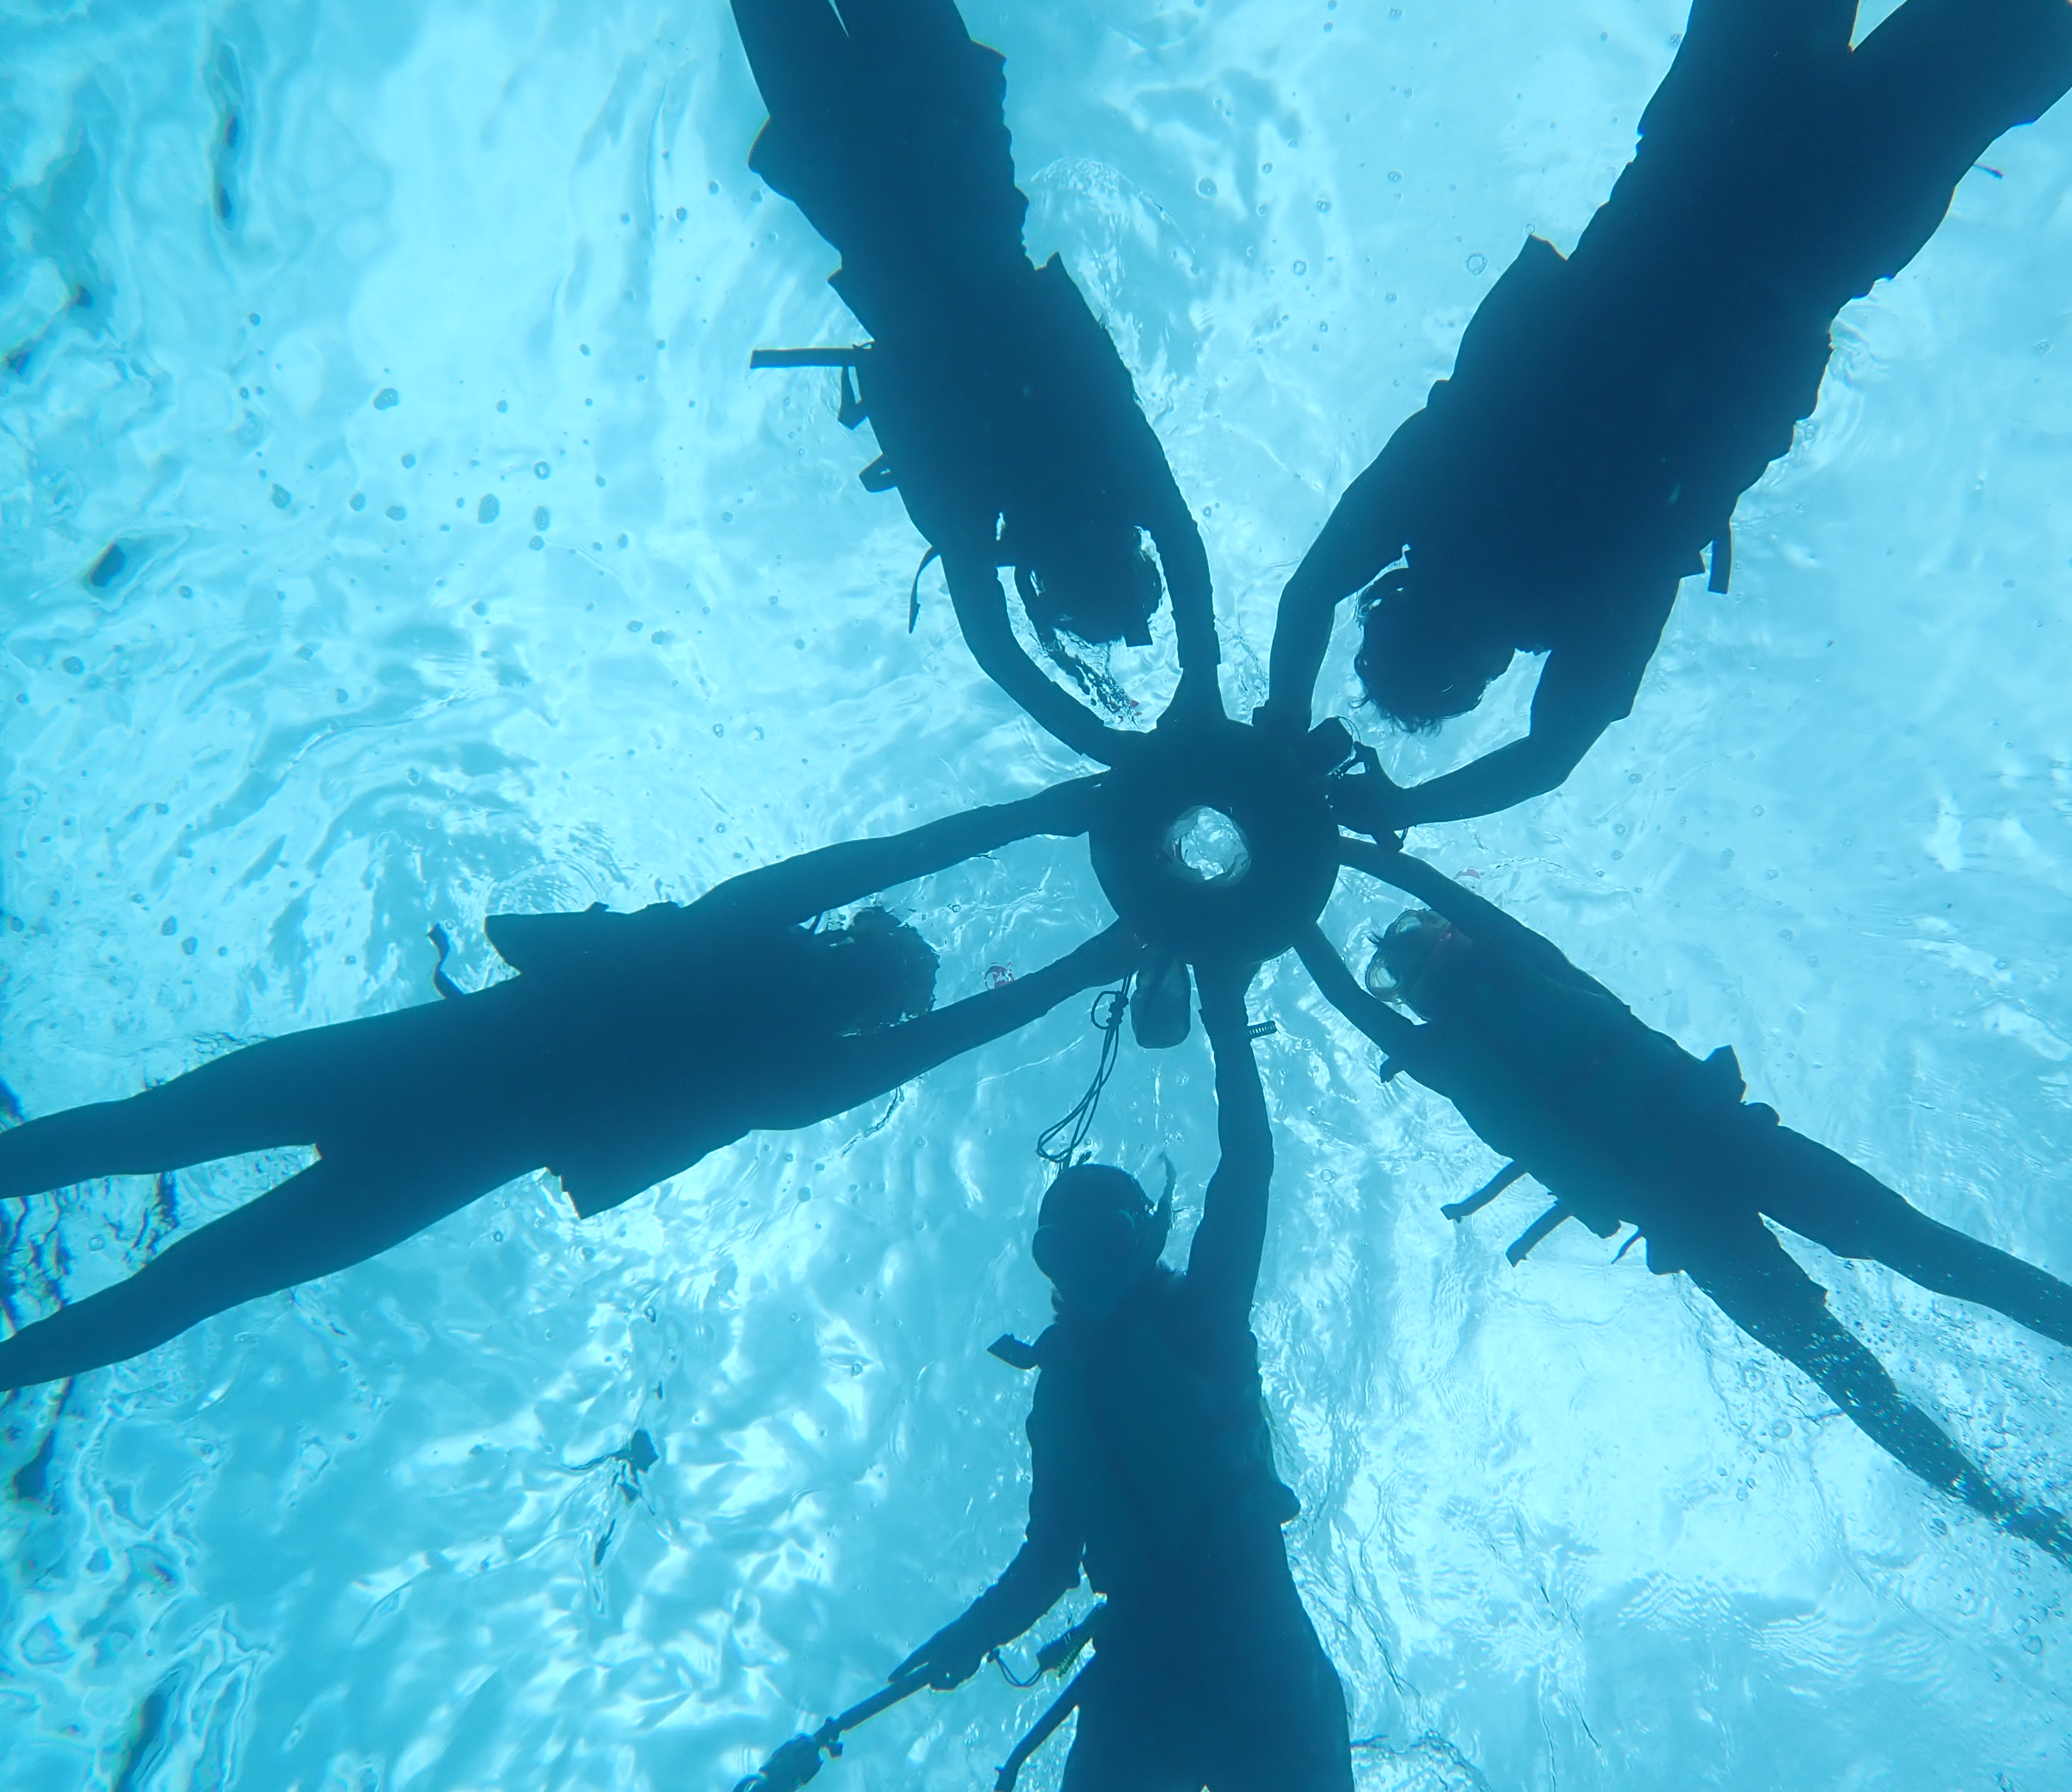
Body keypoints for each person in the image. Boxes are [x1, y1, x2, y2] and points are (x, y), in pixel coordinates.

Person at [1294, 847, 2072, 1585]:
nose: (1428, 954)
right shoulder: (1462, 1025)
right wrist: (1315, 869)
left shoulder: (1510, 976)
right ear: (1437, 967)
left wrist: (1323, 856)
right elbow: (1358, 987)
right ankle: (2039, 1520)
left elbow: (1376, 962)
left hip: (1702, 1184)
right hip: (1708, 1178)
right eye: (1420, 953)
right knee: (1891, 1323)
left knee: (1903, 1308)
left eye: (1423, 943)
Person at [1263, 0, 2072, 831]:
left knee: (2007, 25)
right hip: (1703, 153)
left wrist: (1408, 809)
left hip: (1823, 237)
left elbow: (1551, 755)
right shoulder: (1437, 491)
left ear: (1481, 669)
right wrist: (1280, 724)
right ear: (1397, 594)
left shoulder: (1589, 591)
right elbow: (1310, 592)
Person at [0, 783, 1134, 1391]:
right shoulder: (792, 1075)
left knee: (136, 1136)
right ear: (865, 1009)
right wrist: (1084, 963)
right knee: (192, 1279)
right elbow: (945, 1022)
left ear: (838, 947)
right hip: (434, 1165)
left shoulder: (733, 938)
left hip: (401, 1067)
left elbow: (881, 861)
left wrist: (1041, 813)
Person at [891, 961, 1353, 1790]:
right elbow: (1049, 1559)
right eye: (1065, 1251)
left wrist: (1226, 1007)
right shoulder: (1056, 1397)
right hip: (1145, 1666)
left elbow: (1247, 1167)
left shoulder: (1199, 1318)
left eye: (1103, 1240)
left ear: (1142, 1239)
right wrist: (973, 1633)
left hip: (1253, 1644)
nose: (1087, 1268)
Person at [730, 0, 1219, 762]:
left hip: (950, 155)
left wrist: (1199, 684)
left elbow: (1182, 551)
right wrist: (1117, 743)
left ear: (1129, 552)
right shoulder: (976, 504)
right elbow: (995, 647)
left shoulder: (1110, 465)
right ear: (1044, 585)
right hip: (854, 184)